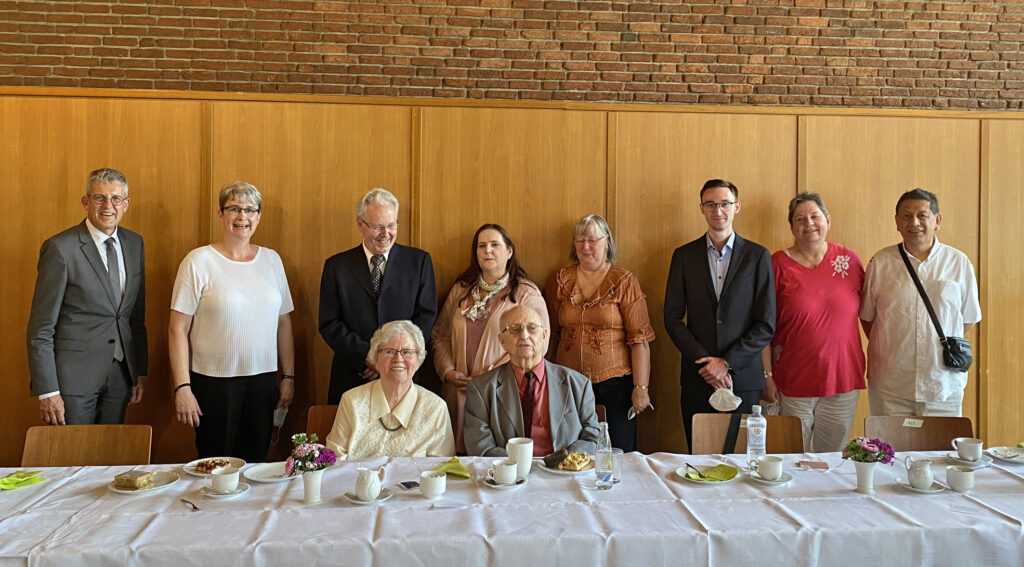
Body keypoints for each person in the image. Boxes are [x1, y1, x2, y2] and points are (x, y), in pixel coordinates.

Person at [169, 181, 295, 462]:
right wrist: (182, 387)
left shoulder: (272, 260)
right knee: (215, 467)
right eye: (234, 208)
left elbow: (284, 322)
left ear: (259, 216)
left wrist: (288, 377)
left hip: (263, 382)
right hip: (213, 384)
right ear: (220, 214)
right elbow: (177, 329)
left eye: (250, 210)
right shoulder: (198, 261)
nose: (243, 217)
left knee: (256, 464)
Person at [27, 168, 148, 426]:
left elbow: (135, 318)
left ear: (126, 204)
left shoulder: (134, 244)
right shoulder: (61, 248)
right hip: (72, 380)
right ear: (85, 202)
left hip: (120, 376)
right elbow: (41, 328)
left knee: (111, 459)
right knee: (74, 461)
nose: (108, 206)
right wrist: (47, 390)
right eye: (99, 198)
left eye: (116, 199)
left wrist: (137, 373)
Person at [664, 179, 775, 452]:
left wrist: (726, 363)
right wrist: (707, 364)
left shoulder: (758, 256)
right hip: (698, 377)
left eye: (724, 204)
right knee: (700, 458)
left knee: (743, 457)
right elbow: (672, 317)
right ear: (701, 208)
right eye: (711, 204)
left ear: (737, 207)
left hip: (744, 378)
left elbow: (766, 324)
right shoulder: (684, 256)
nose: (718, 211)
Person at [860, 188, 981, 416]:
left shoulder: (958, 262)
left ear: (937, 220)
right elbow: (868, 318)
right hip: (891, 384)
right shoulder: (881, 262)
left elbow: (967, 319)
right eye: (906, 216)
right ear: (897, 222)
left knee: (940, 451)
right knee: (890, 450)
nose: (914, 222)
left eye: (922, 215)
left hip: (942, 384)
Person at [761, 193, 865, 452]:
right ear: (792, 227)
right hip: (793, 379)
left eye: (815, 216)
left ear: (828, 220)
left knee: (831, 458)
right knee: (791, 455)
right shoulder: (776, 264)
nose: (809, 224)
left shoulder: (849, 261)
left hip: (843, 378)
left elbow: (872, 314)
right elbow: (762, 327)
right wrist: (767, 376)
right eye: (800, 219)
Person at [432, 224, 548, 453]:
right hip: (458, 390)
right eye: (481, 246)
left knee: (494, 458)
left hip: (501, 390)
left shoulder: (525, 293)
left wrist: (490, 375)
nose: (488, 251)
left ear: (509, 251)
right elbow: (440, 334)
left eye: (495, 245)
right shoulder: (461, 290)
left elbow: (538, 345)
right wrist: (447, 371)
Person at [545, 214, 654, 452]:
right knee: (570, 453)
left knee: (616, 452)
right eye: (580, 240)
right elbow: (550, 333)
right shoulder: (560, 280)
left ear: (607, 241)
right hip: (568, 383)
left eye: (593, 240)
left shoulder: (624, 281)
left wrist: (641, 388)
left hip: (615, 384)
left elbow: (639, 339)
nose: (586, 246)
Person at [319, 188, 438, 404]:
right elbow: (329, 323)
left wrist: (391, 358)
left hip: (404, 374)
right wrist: (368, 356)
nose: (386, 234)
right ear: (360, 224)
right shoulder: (337, 267)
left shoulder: (418, 262)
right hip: (354, 373)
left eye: (391, 225)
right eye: (378, 227)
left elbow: (426, 316)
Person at [463, 305, 600, 457]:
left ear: (544, 335)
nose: (524, 335)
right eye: (515, 329)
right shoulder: (481, 388)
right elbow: (480, 447)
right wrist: (518, 465)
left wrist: (565, 459)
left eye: (532, 328)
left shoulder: (579, 385)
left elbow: (593, 438)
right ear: (502, 340)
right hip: (509, 476)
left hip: (564, 474)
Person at [326, 320, 455, 459]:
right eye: (389, 351)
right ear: (375, 359)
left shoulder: (436, 408)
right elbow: (335, 460)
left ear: (419, 361)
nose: (398, 358)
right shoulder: (351, 401)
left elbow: (442, 470)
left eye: (407, 352)